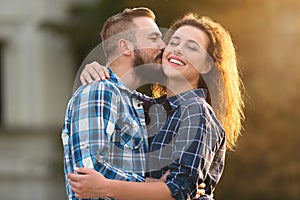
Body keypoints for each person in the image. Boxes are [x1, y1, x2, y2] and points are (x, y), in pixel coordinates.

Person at [68, 14, 245, 199]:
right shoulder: (148, 108)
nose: (178, 50)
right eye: (174, 42)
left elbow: (180, 189)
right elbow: (119, 89)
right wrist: (97, 70)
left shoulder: (195, 110)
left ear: (207, 65)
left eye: (191, 47)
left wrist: (105, 186)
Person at [62, 7, 166, 200]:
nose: (163, 46)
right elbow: (88, 169)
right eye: (154, 39)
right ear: (125, 47)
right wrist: (155, 188)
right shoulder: (99, 91)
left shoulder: (135, 102)